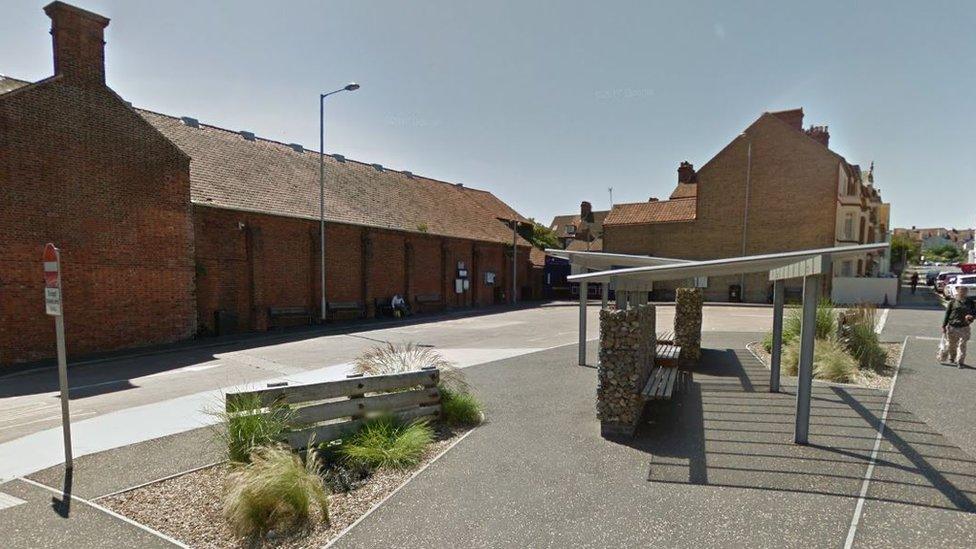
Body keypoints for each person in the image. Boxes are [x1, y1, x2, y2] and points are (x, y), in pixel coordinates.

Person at [940, 286, 975, 368]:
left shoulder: (970, 302)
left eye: (964, 291)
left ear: (966, 293)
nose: (962, 293)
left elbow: (974, 313)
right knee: (952, 344)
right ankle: (952, 357)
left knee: (962, 345)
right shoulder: (952, 302)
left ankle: (960, 362)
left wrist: (971, 317)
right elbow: (947, 314)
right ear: (957, 292)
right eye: (961, 291)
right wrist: (943, 326)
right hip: (952, 326)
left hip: (964, 327)